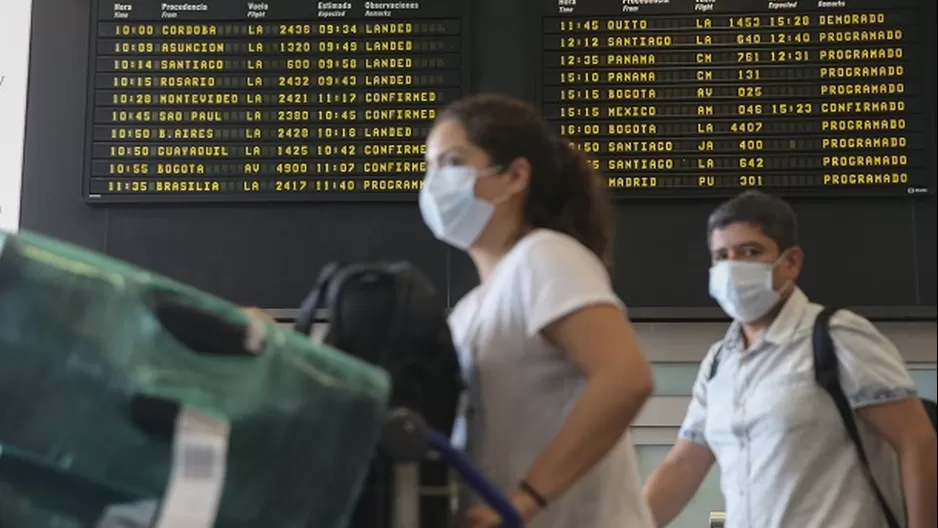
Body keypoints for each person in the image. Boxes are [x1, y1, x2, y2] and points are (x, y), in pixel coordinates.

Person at [418, 93, 655, 528]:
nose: (434, 183)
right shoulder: (468, 310)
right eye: (430, 167)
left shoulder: (545, 256)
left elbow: (625, 379)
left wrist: (521, 502)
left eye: (451, 163)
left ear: (514, 176)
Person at [643, 191, 937, 528]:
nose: (732, 267)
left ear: (791, 262)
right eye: (721, 256)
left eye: (750, 252)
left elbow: (916, 440)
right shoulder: (718, 363)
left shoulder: (837, 337)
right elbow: (682, 465)